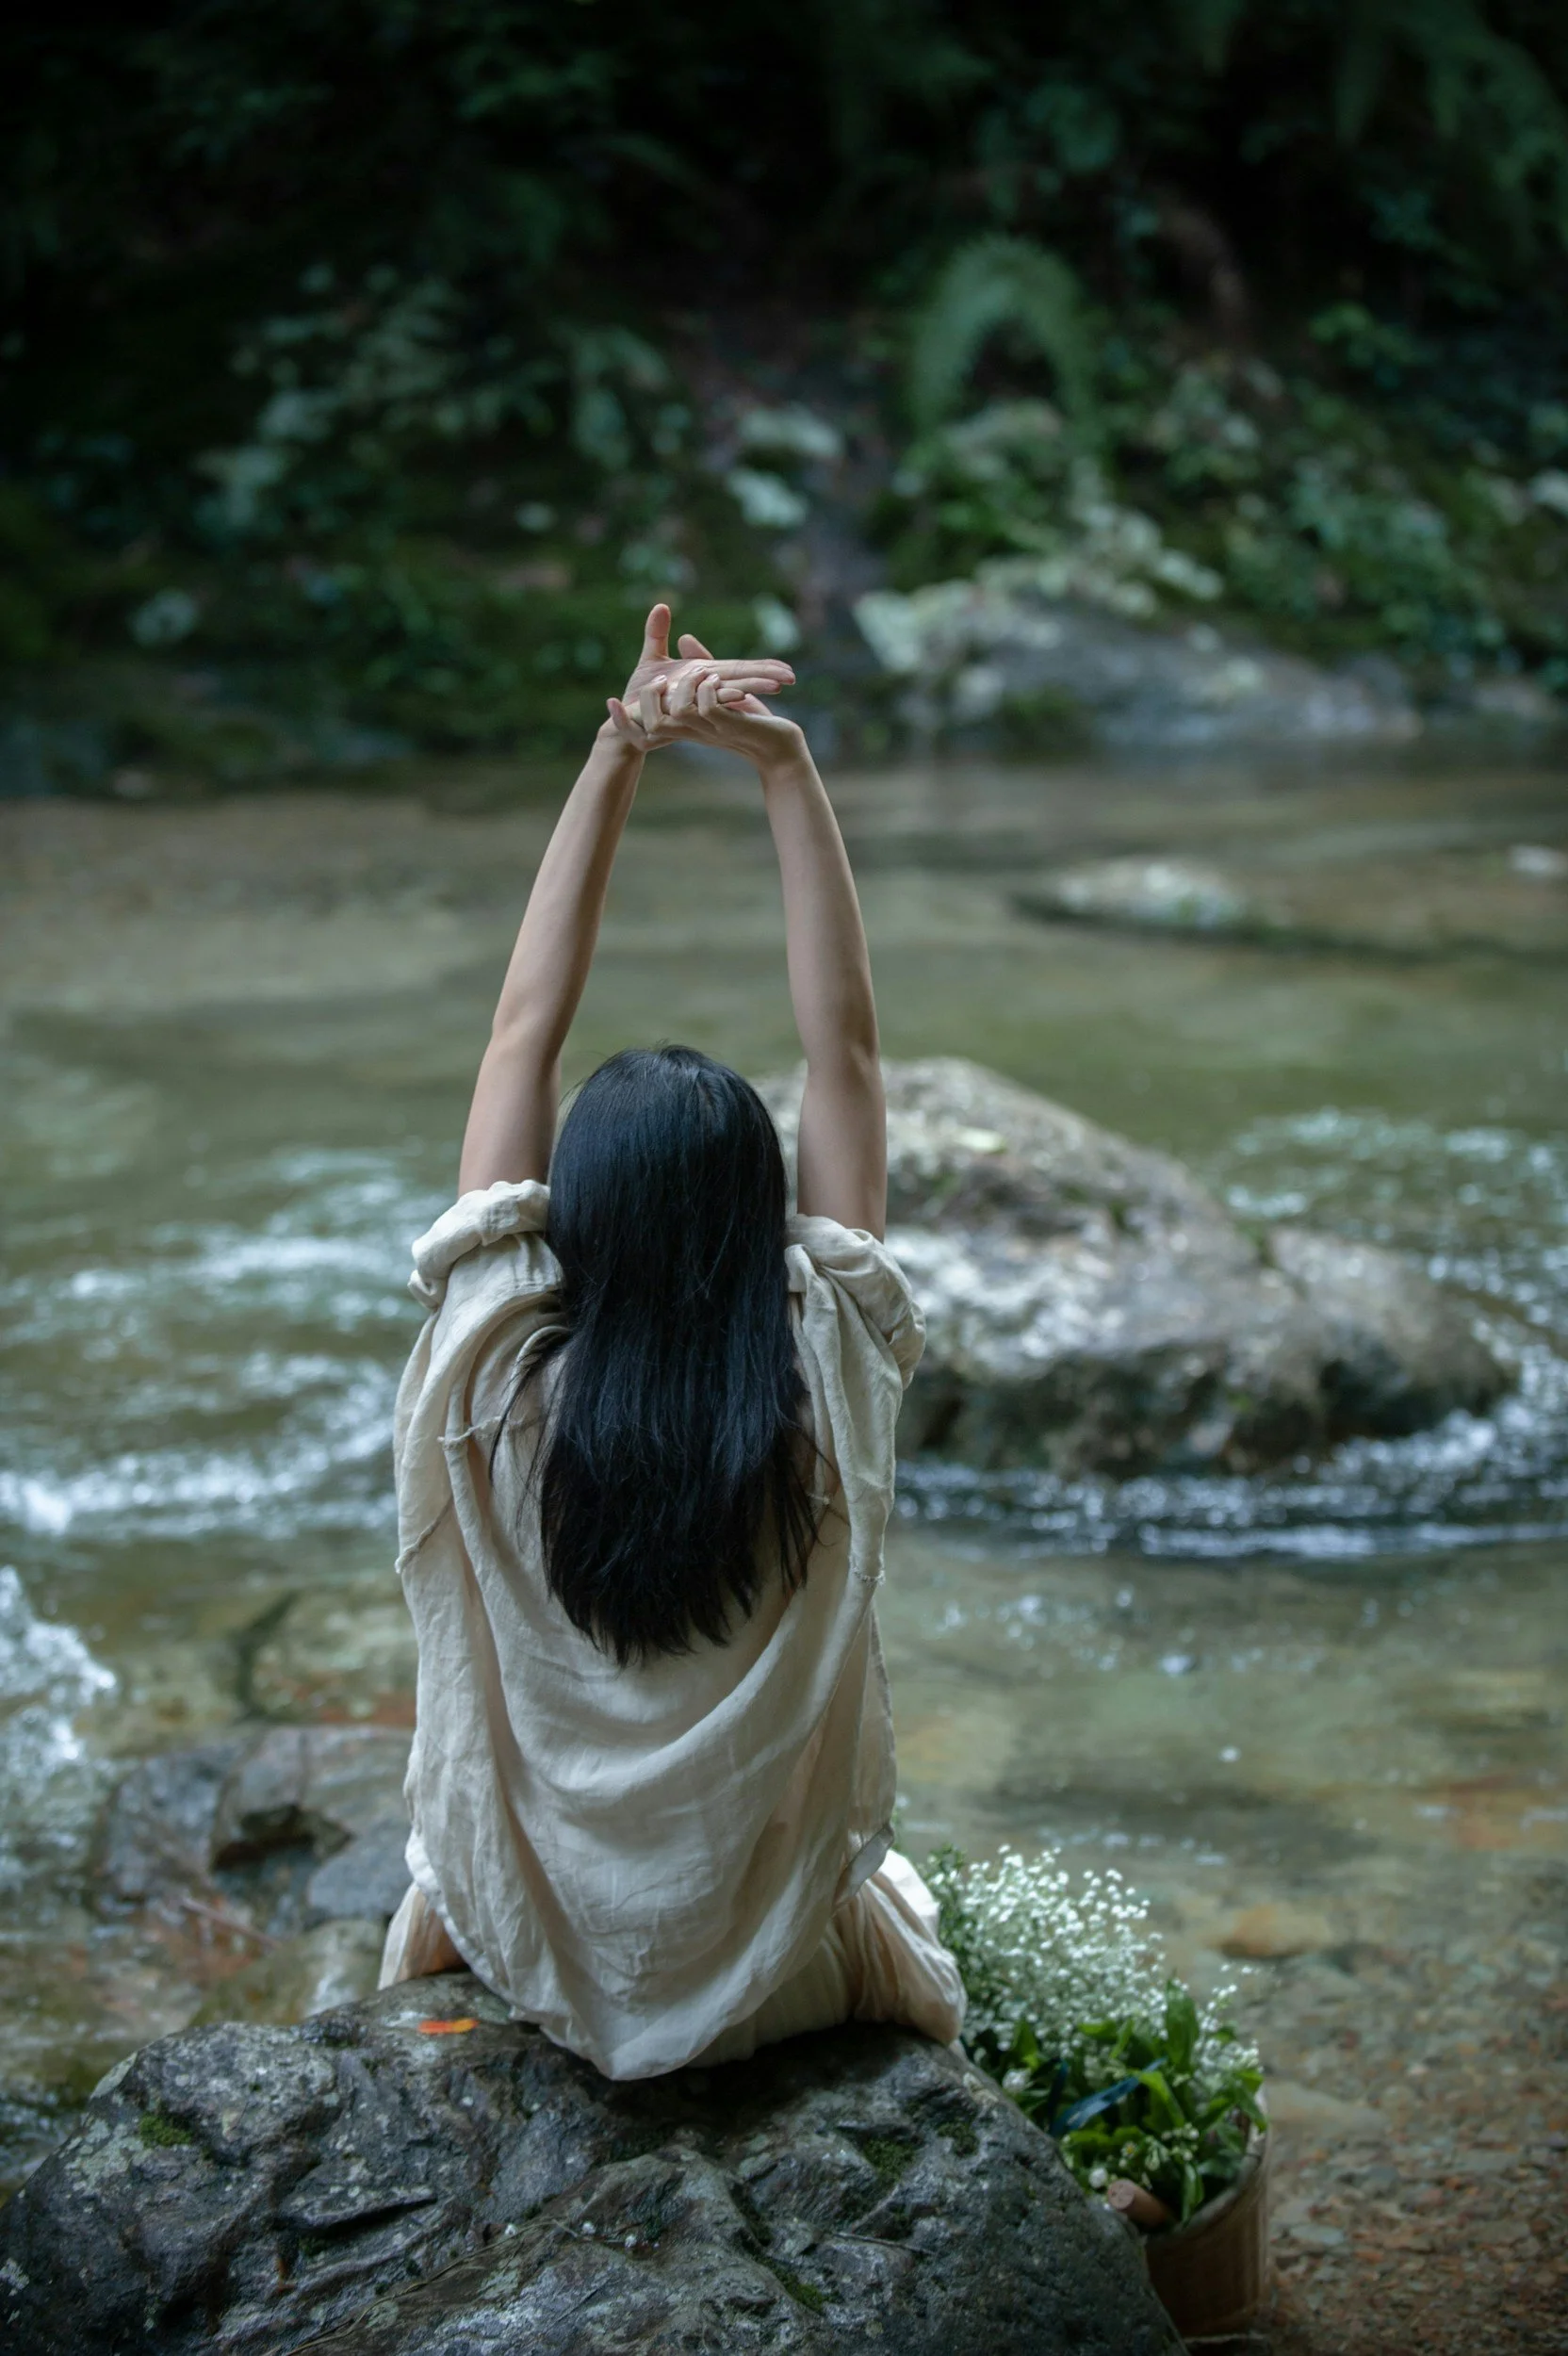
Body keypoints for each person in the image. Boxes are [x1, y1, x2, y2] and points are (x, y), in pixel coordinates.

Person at [380, 603, 965, 2077]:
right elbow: (848, 1055)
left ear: (564, 1218)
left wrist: (615, 749)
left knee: (425, 1884)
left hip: (542, 1961)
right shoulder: (824, 1370)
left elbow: (521, 1032)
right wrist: (786, 773)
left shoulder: (488, 1375)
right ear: (757, 1222)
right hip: (773, 1982)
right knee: (902, 1891)